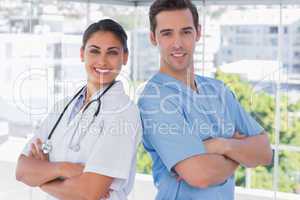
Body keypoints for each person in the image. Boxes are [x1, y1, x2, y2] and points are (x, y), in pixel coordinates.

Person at [138, 0, 273, 199]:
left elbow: (264, 152)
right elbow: (200, 175)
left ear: (198, 33)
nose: (178, 43)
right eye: (167, 33)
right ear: (153, 38)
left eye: (186, 32)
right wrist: (240, 154)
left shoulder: (218, 90)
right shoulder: (154, 99)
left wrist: (221, 145)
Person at [16, 19, 141, 200]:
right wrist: (64, 169)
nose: (102, 61)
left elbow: (87, 193)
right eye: (94, 51)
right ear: (82, 54)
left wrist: (41, 178)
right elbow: (22, 170)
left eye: (112, 53)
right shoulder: (62, 107)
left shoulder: (124, 113)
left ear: (125, 57)